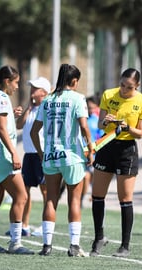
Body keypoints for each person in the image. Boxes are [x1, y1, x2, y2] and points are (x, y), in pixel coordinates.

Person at [30, 64, 94, 257]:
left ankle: (46, 245)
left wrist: (42, 154)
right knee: (74, 200)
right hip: (71, 156)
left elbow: (34, 132)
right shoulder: (77, 98)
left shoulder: (47, 100)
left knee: (51, 199)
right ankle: (74, 245)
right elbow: (83, 127)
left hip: (50, 156)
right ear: (74, 81)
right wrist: (90, 147)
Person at [90, 68, 142, 257]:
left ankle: (125, 245)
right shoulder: (109, 95)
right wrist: (107, 121)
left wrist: (127, 127)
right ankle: (99, 238)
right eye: (122, 85)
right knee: (97, 195)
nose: (124, 90)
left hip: (127, 150)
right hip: (107, 145)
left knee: (124, 198)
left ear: (137, 86)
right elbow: (100, 124)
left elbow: (140, 133)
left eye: (129, 87)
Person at [0, 65, 33, 254]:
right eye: (16, 82)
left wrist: (13, 114)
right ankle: (15, 243)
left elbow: (0, 125)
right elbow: (2, 129)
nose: (17, 87)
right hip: (1, 154)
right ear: (7, 82)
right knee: (21, 196)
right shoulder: (2, 98)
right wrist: (13, 152)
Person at [15, 76, 51, 237]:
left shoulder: (48, 108)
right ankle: (24, 225)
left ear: (44, 92)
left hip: (41, 154)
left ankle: (46, 225)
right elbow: (18, 126)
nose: (32, 90)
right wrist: (28, 108)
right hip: (29, 155)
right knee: (25, 191)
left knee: (45, 192)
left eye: (35, 88)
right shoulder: (31, 108)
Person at [82, 96, 104, 207]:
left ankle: (93, 196)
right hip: (83, 154)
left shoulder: (97, 121)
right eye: (88, 107)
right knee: (86, 177)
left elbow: (101, 137)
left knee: (94, 178)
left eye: (92, 107)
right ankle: (83, 197)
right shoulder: (82, 120)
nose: (90, 110)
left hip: (95, 154)